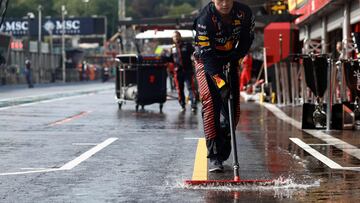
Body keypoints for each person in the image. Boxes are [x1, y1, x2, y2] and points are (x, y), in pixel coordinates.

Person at [193, 0, 254, 172]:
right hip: (206, 62)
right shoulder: (204, 19)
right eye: (220, 0)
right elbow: (207, 56)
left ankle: (224, 145)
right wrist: (220, 83)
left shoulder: (244, 12)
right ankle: (214, 157)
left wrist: (236, 56)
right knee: (211, 104)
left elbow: (247, 38)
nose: (225, 4)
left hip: (230, 58)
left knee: (233, 111)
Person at [170, 31, 198, 112]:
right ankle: (182, 105)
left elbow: (194, 53)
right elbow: (170, 59)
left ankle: (194, 105)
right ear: (172, 38)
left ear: (180, 36)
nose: (176, 38)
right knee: (179, 89)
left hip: (187, 71)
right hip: (178, 72)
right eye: (174, 37)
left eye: (177, 36)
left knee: (191, 88)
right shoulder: (172, 48)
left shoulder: (187, 45)